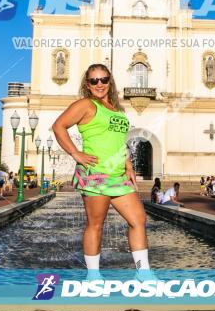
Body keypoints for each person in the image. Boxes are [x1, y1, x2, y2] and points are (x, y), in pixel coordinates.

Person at [52, 64, 154, 282]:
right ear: (87, 85)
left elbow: (119, 141)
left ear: (110, 81)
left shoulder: (116, 109)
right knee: (95, 225)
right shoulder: (85, 105)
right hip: (95, 174)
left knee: (138, 220)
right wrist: (75, 153)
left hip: (118, 175)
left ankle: (143, 273)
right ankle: (93, 276)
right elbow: (58, 126)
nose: (99, 84)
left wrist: (128, 164)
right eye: (94, 81)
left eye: (103, 79)